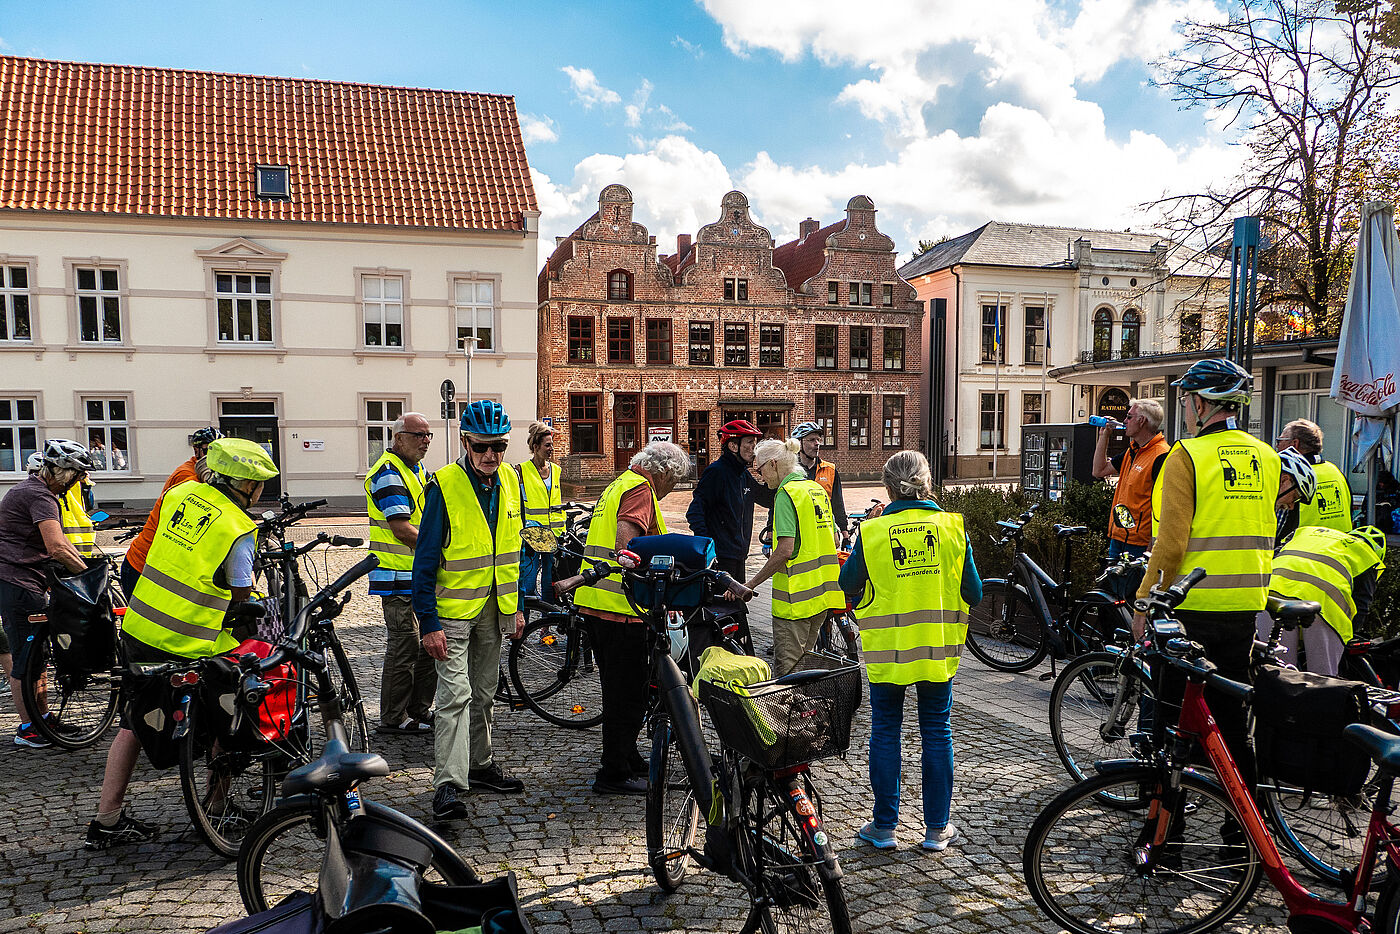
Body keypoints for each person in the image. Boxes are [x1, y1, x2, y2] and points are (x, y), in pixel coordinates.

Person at [87, 438, 276, 848]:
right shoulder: (238, 527)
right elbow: (242, 592)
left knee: (131, 722)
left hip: (141, 627)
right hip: (194, 639)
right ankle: (216, 804)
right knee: (231, 710)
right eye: (260, 483)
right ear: (249, 486)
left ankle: (106, 818)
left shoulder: (181, 493)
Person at [1132, 358, 1280, 790]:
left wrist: (1144, 601)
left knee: (1171, 721)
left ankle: (1164, 834)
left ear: (1201, 404)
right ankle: (1244, 829)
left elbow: (1171, 543)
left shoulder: (1188, 455)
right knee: (1232, 723)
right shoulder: (1268, 456)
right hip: (1245, 605)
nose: (1184, 406)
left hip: (1188, 607)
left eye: (1186, 399)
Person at [840, 451, 981, 851]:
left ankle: (884, 828)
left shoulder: (875, 532)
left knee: (885, 728)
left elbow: (848, 582)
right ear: (927, 482)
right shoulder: (953, 528)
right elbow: (974, 591)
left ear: (887, 487)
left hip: (888, 649)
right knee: (937, 730)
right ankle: (937, 830)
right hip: (937, 647)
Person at [413, 400, 526, 820]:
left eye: (499, 446)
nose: (491, 456)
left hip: (495, 609)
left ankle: (479, 765)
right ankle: (447, 784)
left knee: (484, 693)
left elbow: (512, 550)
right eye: (482, 447)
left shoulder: (512, 481)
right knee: (454, 696)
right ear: (465, 441)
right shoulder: (443, 486)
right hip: (453, 614)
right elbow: (423, 562)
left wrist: (514, 609)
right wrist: (428, 623)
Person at [572, 441, 691, 795]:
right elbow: (627, 542)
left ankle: (627, 757)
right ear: (663, 472)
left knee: (621, 691)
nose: (671, 491)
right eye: (673, 482)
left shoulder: (618, 483)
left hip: (597, 605)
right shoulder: (641, 488)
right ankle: (614, 773)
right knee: (627, 696)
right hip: (620, 611)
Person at [0, 441, 92, 748]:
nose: (79, 482)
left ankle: (43, 717)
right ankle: (28, 728)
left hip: (24, 581)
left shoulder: (27, 491)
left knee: (37, 658)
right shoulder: (40, 496)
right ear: (62, 472)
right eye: (77, 475)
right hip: (19, 584)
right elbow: (56, 546)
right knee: (25, 659)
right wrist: (87, 574)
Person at [742, 438, 845, 675]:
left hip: (794, 602)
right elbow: (835, 539)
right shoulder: (815, 489)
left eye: (760, 469)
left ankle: (791, 713)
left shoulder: (785, 495)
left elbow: (785, 550)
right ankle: (810, 712)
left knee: (788, 674)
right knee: (805, 670)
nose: (760, 477)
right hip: (821, 598)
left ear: (774, 464)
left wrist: (751, 583)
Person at [366, 411, 436, 735]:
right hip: (395, 576)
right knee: (405, 646)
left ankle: (419, 709)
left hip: (416, 575)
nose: (425, 441)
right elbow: (401, 528)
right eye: (418, 435)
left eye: (428, 435)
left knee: (428, 644)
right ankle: (393, 718)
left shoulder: (416, 468)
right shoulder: (389, 473)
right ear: (399, 438)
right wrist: (436, 547)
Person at [685, 419, 774, 639]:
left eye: (755, 443)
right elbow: (695, 512)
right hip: (721, 560)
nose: (754, 449)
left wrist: (785, 477)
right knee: (724, 617)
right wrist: (709, 549)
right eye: (749, 443)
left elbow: (765, 497)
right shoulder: (717, 472)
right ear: (733, 446)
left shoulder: (743, 474)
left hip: (738, 556)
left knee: (736, 613)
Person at [1266, 525, 1386, 675]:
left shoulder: (1307, 531)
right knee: (1323, 679)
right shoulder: (1366, 554)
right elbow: (1361, 604)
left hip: (1272, 595)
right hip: (1323, 608)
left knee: (1276, 672)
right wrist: (1347, 638)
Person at [120, 427, 222, 596]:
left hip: (154, 563)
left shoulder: (204, 474)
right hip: (142, 564)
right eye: (208, 449)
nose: (214, 455)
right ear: (196, 450)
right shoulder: (186, 475)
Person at [1091, 399, 1169, 560]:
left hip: (1139, 542)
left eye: (1129, 417)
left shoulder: (1161, 455)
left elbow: (1164, 504)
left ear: (1142, 421)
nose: (1125, 421)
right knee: (1115, 584)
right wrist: (1104, 436)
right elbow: (1099, 471)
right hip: (1118, 536)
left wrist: (1152, 543)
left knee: (1131, 585)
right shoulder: (1132, 451)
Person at [1277, 418, 1354, 534]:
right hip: (1339, 548)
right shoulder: (1336, 472)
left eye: (1280, 441)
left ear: (1294, 444)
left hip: (1300, 549)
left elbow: (1277, 525)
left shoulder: (1291, 477)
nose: (1277, 446)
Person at [517, 421, 563, 599]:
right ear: (536, 447)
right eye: (548, 445)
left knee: (549, 582)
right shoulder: (521, 470)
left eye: (552, 444)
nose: (551, 448)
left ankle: (547, 621)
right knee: (528, 582)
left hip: (554, 534)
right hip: (533, 534)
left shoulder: (556, 470)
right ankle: (526, 620)